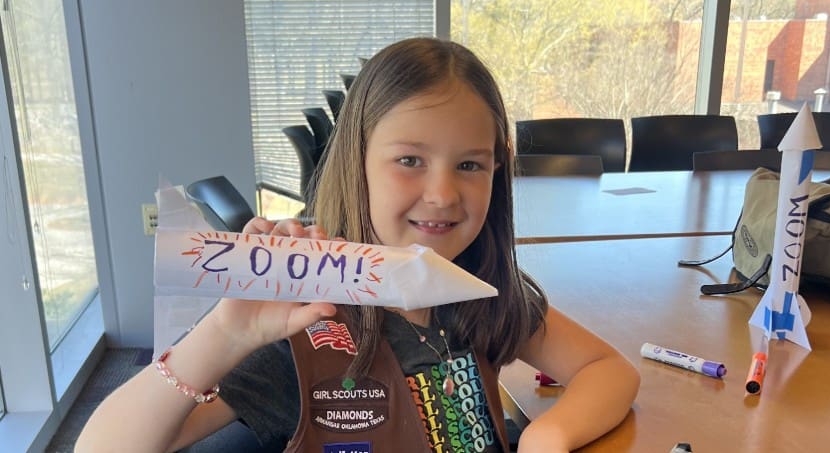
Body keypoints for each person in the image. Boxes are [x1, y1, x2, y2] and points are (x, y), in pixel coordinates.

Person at [76, 37, 639, 453]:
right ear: (359, 165)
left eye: (470, 165)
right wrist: (225, 335)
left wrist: (550, 434)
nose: (443, 194)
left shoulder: (482, 292)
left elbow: (609, 369)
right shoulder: (304, 327)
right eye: (409, 161)